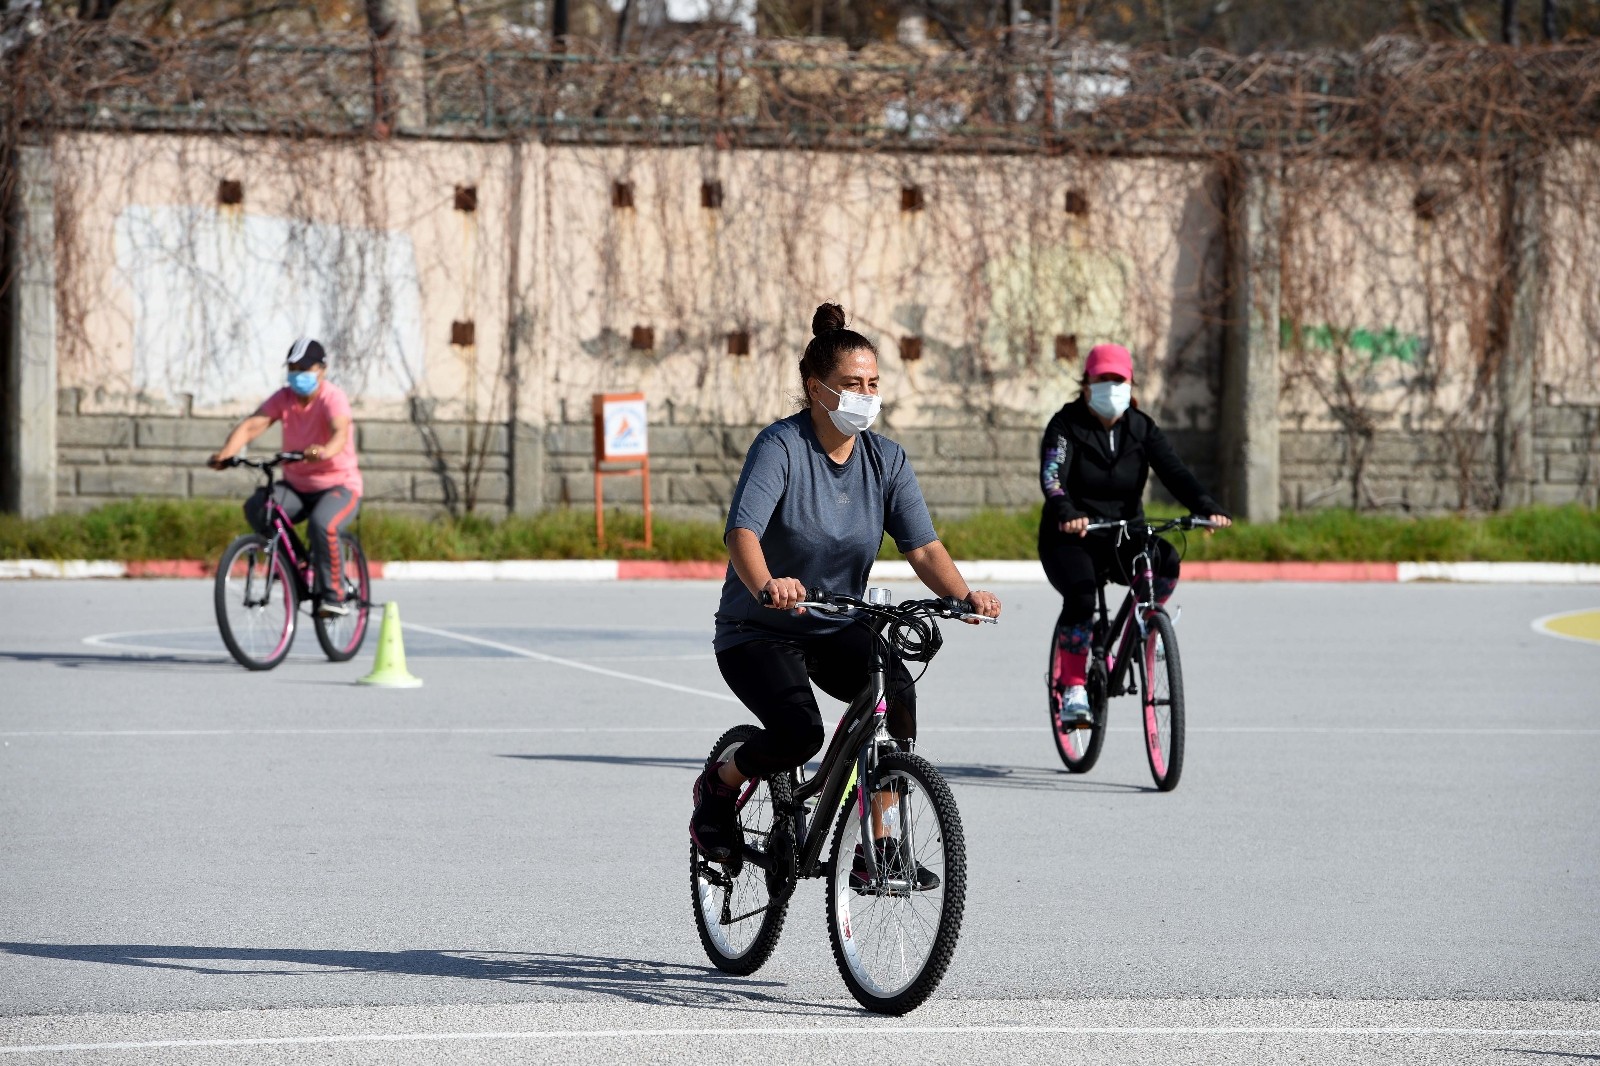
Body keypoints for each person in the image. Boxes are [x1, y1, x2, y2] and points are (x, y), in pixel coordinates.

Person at [692, 302, 1002, 885]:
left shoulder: (886, 459)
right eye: (851, 384)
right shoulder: (780, 447)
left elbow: (924, 548)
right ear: (817, 389)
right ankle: (720, 782)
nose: (865, 393)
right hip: (758, 631)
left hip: (835, 624)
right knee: (799, 734)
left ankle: (877, 848)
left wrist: (964, 598)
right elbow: (742, 534)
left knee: (896, 693)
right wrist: (767, 587)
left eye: (873, 384)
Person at [1038, 342, 1231, 727]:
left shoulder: (1140, 427)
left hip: (1126, 534)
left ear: (1130, 383)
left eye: (1118, 379)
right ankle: (1074, 686)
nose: (1111, 386)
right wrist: (1067, 512)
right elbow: (1052, 476)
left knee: (1167, 562)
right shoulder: (1066, 424)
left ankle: (1143, 627)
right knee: (1081, 596)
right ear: (1087, 383)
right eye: (1102, 378)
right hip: (1072, 536)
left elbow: (1175, 472)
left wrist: (1207, 506)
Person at [207, 338, 364, 617]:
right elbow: (252, 426)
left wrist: (324, 451)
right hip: (296, 486)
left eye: (304, 367)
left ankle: (335, 595)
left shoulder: (332, 397)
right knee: (259, 508)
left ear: (322, 369)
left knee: (322, 524)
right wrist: (225, 455)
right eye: (292, 367)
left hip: (339, 486)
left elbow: (340, 431)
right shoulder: (284, 398)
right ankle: (291, 569)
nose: (297, 373)